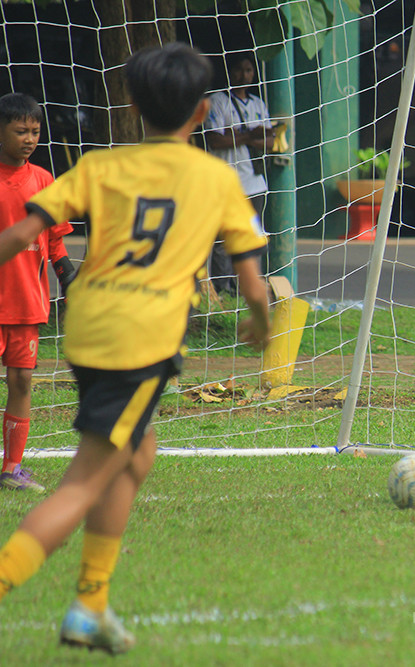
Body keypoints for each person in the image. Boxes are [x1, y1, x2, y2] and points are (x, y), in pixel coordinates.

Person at [0, 43, 271, 654]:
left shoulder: (101, 165)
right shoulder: (216, 178)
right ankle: (57, 597)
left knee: (136, 454)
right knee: (83, 480)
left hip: (88, 325)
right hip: (140, 337)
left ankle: (92, 604)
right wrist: (259, 323)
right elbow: (253, 283)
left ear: (130, 104)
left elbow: (20, 233)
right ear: (203, 112)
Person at [0, 92, 76, 494]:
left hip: (28, 302)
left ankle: (12, 467)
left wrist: (70, 282)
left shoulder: (44, 180)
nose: (29, 139)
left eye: (35, 131)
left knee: (23, 381)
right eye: (20, 131)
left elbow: (56, 244)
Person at [203, 51, 274, 294]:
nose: (243, 75)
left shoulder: (258, 103)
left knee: (254, 236)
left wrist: (240, 137)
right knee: (223, 240)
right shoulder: (218, 101)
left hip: (254, 185)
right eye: (238, 70)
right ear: (229, 72)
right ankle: (224, 287)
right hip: (225, 183)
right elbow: (215, 140)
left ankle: (251, 288)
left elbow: (271, 140)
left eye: (248, 70)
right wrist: (250, 136)